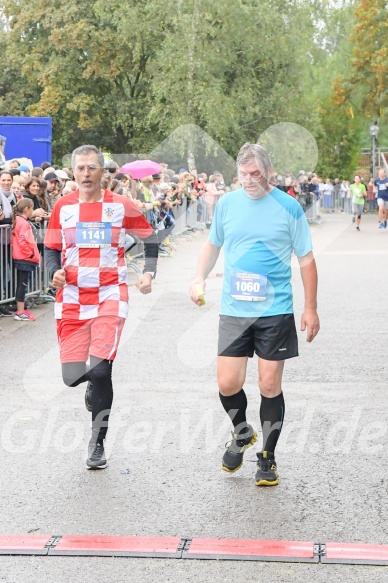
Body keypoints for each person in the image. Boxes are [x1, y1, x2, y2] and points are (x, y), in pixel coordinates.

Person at [190, 142, 319, 487]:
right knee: (227, 383)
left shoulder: (289, 208)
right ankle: (242, 431)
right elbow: (212, 244)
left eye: (256, 174)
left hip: (274, 310)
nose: (249, 180)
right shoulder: (228, 204)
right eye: (243, 174)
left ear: (269, 172)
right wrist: (198, 277)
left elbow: (306, 259)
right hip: (234, 309)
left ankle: (268, 458)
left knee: (268, 383)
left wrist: (310, 307)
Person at [44, 145, 158, 470]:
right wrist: (53, 271)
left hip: (110, 294)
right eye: (80, 168)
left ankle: (97, 443)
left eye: (92, 167)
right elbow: (52, 248)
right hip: (72, 298)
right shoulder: (63, 207)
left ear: (102, 171)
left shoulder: (120, 206)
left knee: (101, 370)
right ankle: (91, 383)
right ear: (73, 172)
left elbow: (150, 238)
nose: (86, 173)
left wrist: (148, 272)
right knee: (71, 377)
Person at [11, 198, 40, 321]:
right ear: (27, 209)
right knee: (22, 284)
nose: (32, 211)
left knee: (21, 284)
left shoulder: (18, 221)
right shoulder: (23, 223)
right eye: (32, 208)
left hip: (20, 256)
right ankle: (20, 312)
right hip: (24, 257)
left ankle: (21, 309)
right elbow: (23, 241)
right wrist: (31, 254)